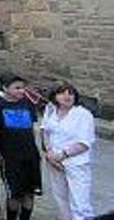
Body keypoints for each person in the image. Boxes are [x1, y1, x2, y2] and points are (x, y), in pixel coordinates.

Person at [0, 73, 42, 220]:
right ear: (5, 88)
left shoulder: (27, 103)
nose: (21, 91)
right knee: (14, 193)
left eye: (22, 88)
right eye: (17, 88)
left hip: (30, 154)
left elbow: (32, 127)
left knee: (29, 192)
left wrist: (35, 148)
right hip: (10, 155)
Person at [40, 83, 95, 220]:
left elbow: (84, 142)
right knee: (61, 199)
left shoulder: (83, 114)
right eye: (62, 93)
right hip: (53, 161)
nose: (67, 96)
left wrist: (61, 155)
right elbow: (44, 131)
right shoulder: (50, 109)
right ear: (54, 96)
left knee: (80, 203)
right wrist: (48, 152)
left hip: (76, 163)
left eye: (70, 93)